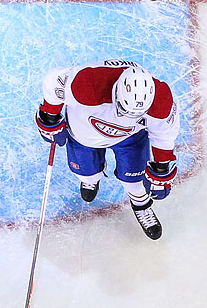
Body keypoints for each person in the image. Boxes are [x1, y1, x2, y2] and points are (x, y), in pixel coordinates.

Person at [35, 60, 180, 240]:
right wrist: (50, 116)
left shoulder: (161, 101)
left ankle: (141, 203)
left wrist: (161, 168)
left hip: (130, 137)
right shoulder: (86, 83)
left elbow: (164, 136)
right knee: (85, 171)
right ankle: (90, 179)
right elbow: (54, 80)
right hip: (83, 134)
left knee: (135, 178)